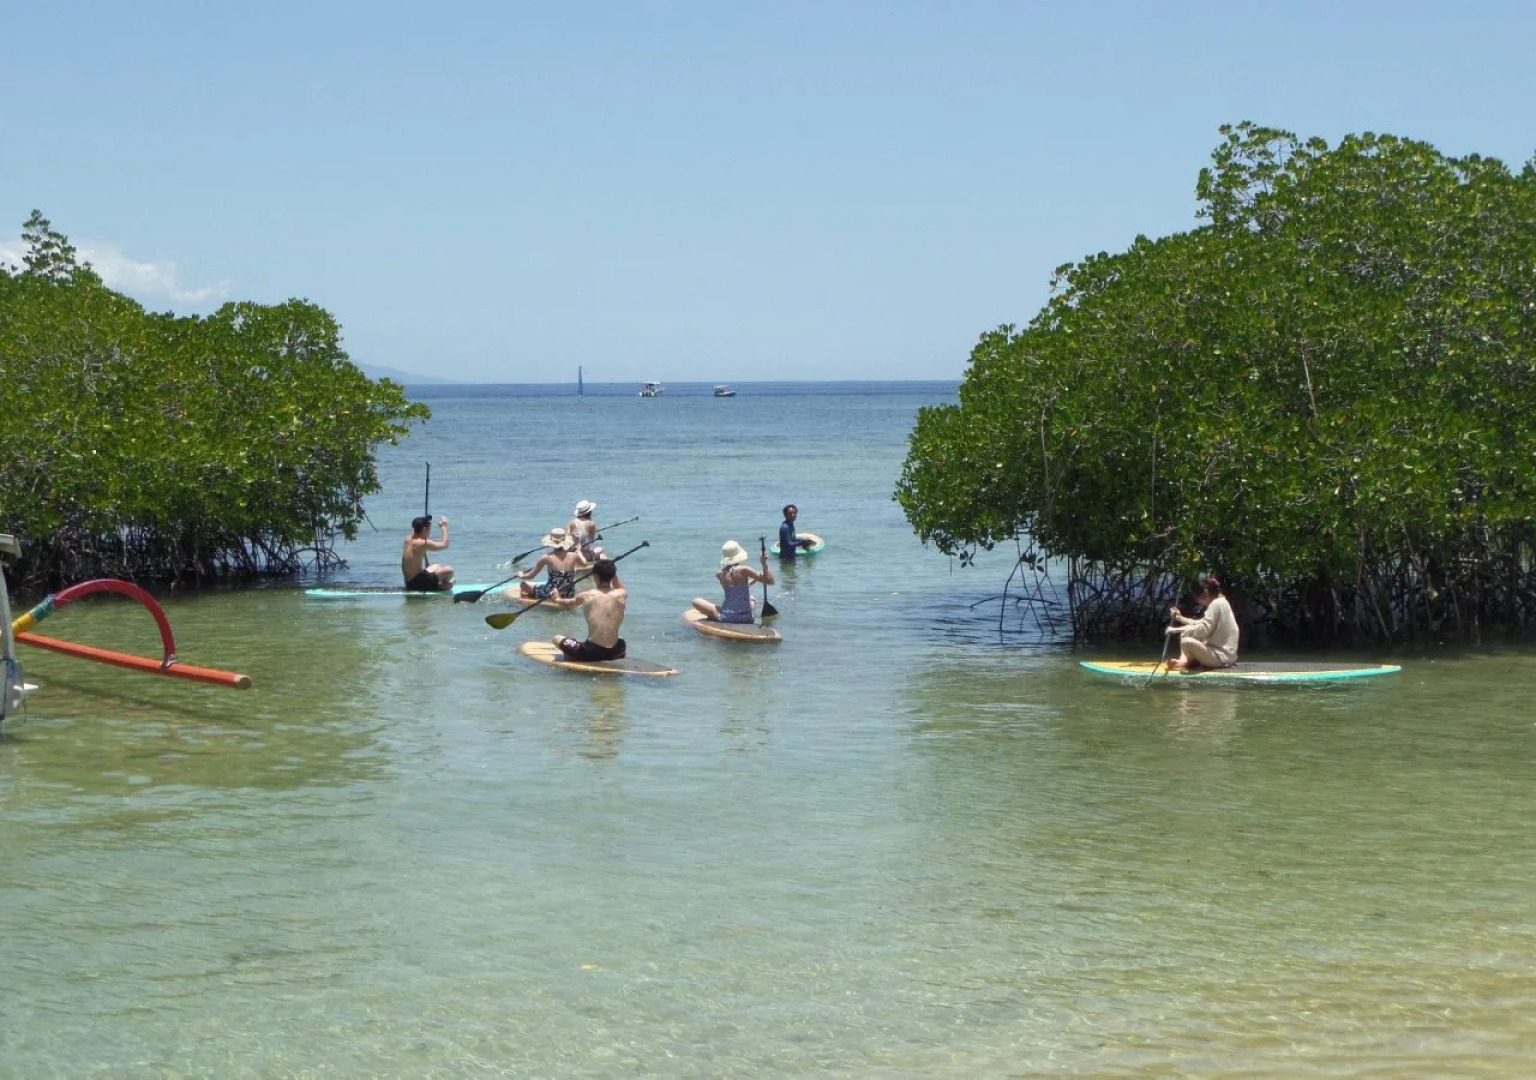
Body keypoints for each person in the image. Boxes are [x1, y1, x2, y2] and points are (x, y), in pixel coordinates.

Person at [554, 558, 627, 662]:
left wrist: (556, 599)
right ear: (613, 575)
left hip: (592, 652)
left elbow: (567, 603)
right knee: (620, 639)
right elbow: (619, 587)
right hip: (617, 649)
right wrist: (612, 573)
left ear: (595, 576)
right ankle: (614, 655)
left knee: (556, 638)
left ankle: (575, 655)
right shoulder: (622, 594)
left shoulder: (586, 596)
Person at [1166, 577, 1239, 670]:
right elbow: (1201, 623)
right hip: (1223, 656)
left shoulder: (1216, 604)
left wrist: (1176, 630)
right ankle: (1186, 660)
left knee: (1186, 640)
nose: (1197, 601)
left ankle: (1186, 661)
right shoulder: (1222, 601)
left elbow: (1204, 629)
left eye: (1197, 598)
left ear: (1205, 594)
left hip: (1221, 658)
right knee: (1188, 632)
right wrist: (1179, 617)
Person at [693, 540, 774, 624]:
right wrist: (764, 564)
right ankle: (747, 615)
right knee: (752, 599)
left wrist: (755, 580)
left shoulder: (720, 574)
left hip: (727, 617)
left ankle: (715, 617)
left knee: (696, 601)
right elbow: (770, 581)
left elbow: (734, 590)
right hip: (747, 618)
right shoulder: (744, 570)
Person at [518, 527, 590, 600]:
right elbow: (585, 564)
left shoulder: (546, 557)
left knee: (523, 585)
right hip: (569, 593)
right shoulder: (574, 555)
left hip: (551, 593)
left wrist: (521, 575)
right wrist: (579, 552)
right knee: (540, 585)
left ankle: (525, 602)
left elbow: (530, 576)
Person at [402, 515, 452, 591]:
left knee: (437, 566)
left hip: (409, 582)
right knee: (449, 570)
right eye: (430, 529)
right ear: (425, 529)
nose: (430, 532)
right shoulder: (422, 543)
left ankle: (438, 584)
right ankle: (441, 586)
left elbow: (417, 533)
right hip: (416, 584)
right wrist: (444, 527)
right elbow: (445, 545)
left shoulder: (408, 538)